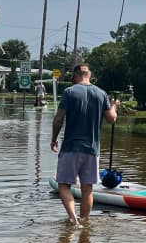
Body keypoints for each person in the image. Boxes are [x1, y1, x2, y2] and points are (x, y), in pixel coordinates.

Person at [50, 64, 119, 225]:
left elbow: (58, 119)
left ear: (74, 77)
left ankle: (74, 220)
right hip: (92, 150)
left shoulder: (69, 92)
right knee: (87, 189)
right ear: (90, 75)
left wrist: (54, 139)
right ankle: (85, 221)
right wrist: (114, 106)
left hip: (70, 148)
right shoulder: (101, 93)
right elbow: (111, 119)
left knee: (64, 186)